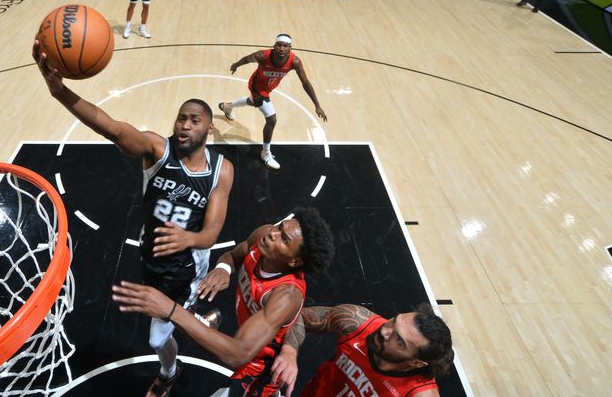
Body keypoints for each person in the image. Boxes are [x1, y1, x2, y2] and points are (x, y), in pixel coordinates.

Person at [33, 41, 234, 397]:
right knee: (159, 315)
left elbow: (212, 232)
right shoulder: (157, 149)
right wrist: (60, 92)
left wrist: (189, 239)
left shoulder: (221, 170)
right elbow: (109, 126)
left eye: (194, 120)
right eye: (181, 118)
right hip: (150, 254)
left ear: (209, 128)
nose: (185, 125)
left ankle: (170, 370)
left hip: (186, 266)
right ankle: (194, 318)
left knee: (158, 334)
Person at [112, 207, 335, 397]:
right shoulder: (263, 236)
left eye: (284, 239)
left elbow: (237, 353)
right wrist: (223, 268)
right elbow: (234, 255)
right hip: (247, 338)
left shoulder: (285, 295)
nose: (274, 233)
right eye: (280, 227)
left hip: (259, 368)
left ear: (295, 261)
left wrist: (171, 310)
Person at [270, 303, 454, 397]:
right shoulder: (360, 322)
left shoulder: (418, 394)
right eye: (393, 321)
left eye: (398, 340)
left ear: (415, 362)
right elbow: (301, 318)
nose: (384, 331)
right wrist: (289, 351)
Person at [219, 34, 327, 171]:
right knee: (271, 119)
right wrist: (236, 65)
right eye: (279, 45)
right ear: (274, 46)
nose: (281, 48)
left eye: (285, 46)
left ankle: (227, 107)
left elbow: (305, 83)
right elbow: (247, 59)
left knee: (252, 102)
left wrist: (317, 105)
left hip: (268, 87)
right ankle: (266, 153)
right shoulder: (262, 56)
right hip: (256, 87)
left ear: (290, 48)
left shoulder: (295, 62)